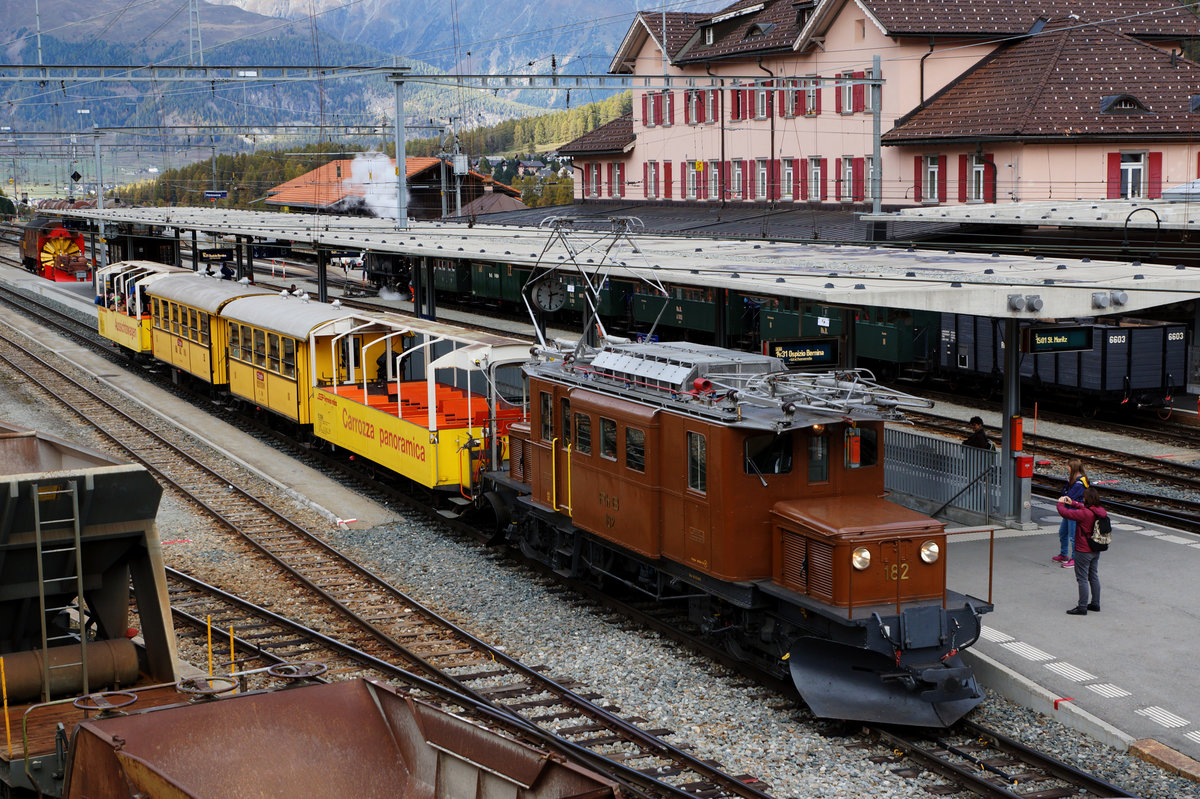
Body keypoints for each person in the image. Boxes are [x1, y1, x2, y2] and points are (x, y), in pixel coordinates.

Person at [1057, 486, 1108, 615]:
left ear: (1086, 499)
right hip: (1095, 548)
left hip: (1083, 549)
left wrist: (1060, 503)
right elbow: (1083, 508)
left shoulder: (1085, 514)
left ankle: (1082, 607)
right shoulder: (1099, 510)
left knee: (1082, 578)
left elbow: (1066, 513)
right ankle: (1095, 603)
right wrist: (1072, 502)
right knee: (1093, 576)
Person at [1054, 460, 1089, 567]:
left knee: (1074, 536)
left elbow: (1068, 496)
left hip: (1074, 511)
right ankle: (1064, 555)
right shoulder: (1074, 480)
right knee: (1063, 533)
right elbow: (1064, 492)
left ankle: (1074, 558)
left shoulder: (1078, 483)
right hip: (1070, 510)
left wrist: (1065, 496)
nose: (1067, 469)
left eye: (1068, 467)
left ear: (1072, 468)